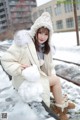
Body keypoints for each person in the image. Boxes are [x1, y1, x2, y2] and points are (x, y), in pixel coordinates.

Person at [1, 12, 75, 120]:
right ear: (35, 31)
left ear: (49, 35)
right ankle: (61, 109)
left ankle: (59, 103)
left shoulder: (45, 48)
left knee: (53, 81)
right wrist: (20, 69)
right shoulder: (24, 44)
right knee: (56, 80)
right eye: (40, 32)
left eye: (46, 34)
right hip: (24, 80)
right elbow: (5, 59)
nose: (42, 37)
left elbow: (48, 68)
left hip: (36, 79)